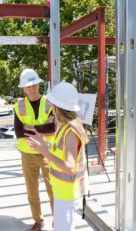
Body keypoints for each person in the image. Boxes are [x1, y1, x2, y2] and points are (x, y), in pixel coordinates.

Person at [26, 82, 89, 231]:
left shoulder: (70, 131)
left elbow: (70, 166)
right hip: (63, 190)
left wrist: (45, 152)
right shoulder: (66, 126)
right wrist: (44, 144)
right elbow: (60, 150)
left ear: (58, 107)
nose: (50, 107)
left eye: (52, 103)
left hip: (67, 192)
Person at [14, 69, 55, 231]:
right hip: (27, 153)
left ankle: (57, 220)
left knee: (53, 188)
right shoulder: (19, 106)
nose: (31, 89)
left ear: (39, 84)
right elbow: (18, 132)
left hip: (48, 152)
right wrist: (42, 127)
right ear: (23, 89)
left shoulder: (50, 103)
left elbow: (53, 126)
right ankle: (38, 220)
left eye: (33, 85)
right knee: (32, 190)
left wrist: (31, 127)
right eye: (27, 87)